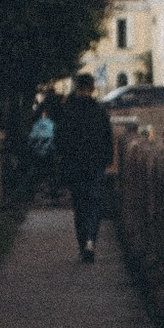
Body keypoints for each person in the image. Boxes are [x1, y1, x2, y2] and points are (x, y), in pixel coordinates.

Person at [53, 72, 114, 261]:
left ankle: (83, 245)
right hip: (96, 165)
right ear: (92, 88)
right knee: (95, 204)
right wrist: (108, 160)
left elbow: (59, 140)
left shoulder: (68, 112)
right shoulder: (99, 111)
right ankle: (91, 241)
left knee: (80, 207)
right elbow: (107, 138)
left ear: (76, 88)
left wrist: (64, 160)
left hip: (75, 166)